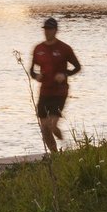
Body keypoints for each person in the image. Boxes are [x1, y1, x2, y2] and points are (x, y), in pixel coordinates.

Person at [28, 17, 82, 155]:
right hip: (44, 92)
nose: (47, 32)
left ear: (56, 30)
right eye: (45, 29)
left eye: (50, 29)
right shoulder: (38, 49)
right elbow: (31, 70)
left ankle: (67, 144)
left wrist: (65, 75)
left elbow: (77, 67)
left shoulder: (64, 48)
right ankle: (55, 155)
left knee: (52, 126)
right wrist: (36, 76)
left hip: (59, 92)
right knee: (44, 128)